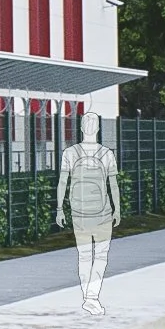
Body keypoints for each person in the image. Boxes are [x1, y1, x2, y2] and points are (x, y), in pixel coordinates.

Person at [54, 111, 121, 315]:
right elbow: (113, 185)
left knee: (84, 256)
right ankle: (93, 297)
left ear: (81, 128)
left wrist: (59, 209)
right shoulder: (106, 154)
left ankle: (87, 296)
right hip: (102, 212)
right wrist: (117, 208)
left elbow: (62, 182)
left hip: (79, 212)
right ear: (98, 129)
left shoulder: (70, 153)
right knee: (101, 255)